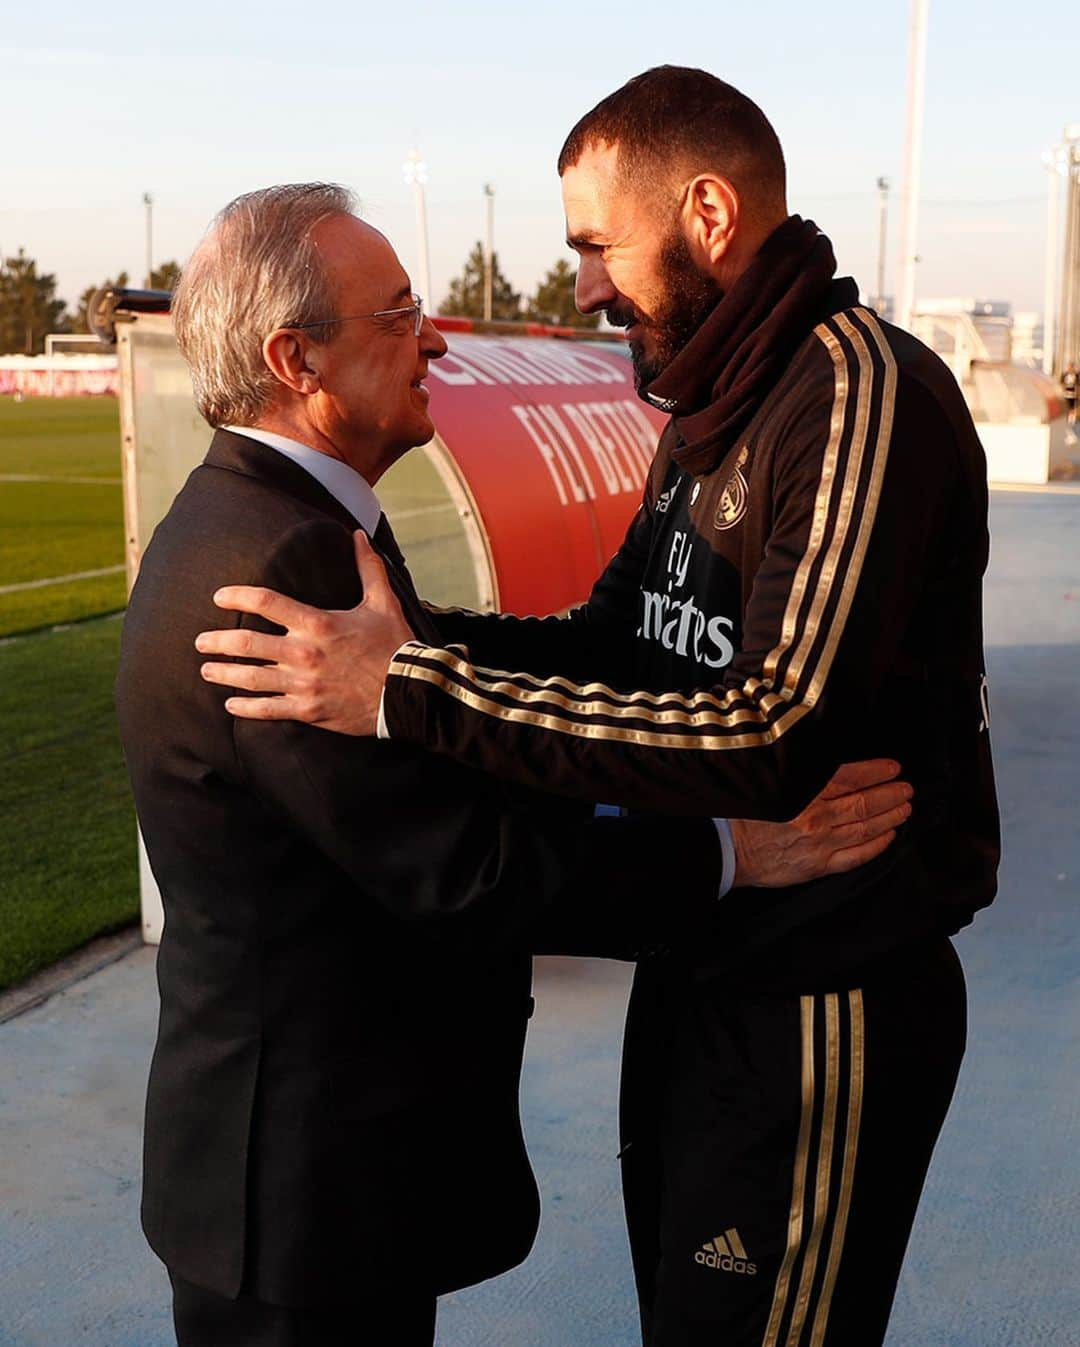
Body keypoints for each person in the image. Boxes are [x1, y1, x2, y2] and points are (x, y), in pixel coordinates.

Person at [198, 69, 1000, 1347]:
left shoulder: (855, 392)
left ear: (707, 213)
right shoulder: (707, 403)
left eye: (593, 243)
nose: (580, 286)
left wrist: (408, 687)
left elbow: (772, 728)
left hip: (824, 994)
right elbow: (613, 641)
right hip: (711, 970)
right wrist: (407, 641)